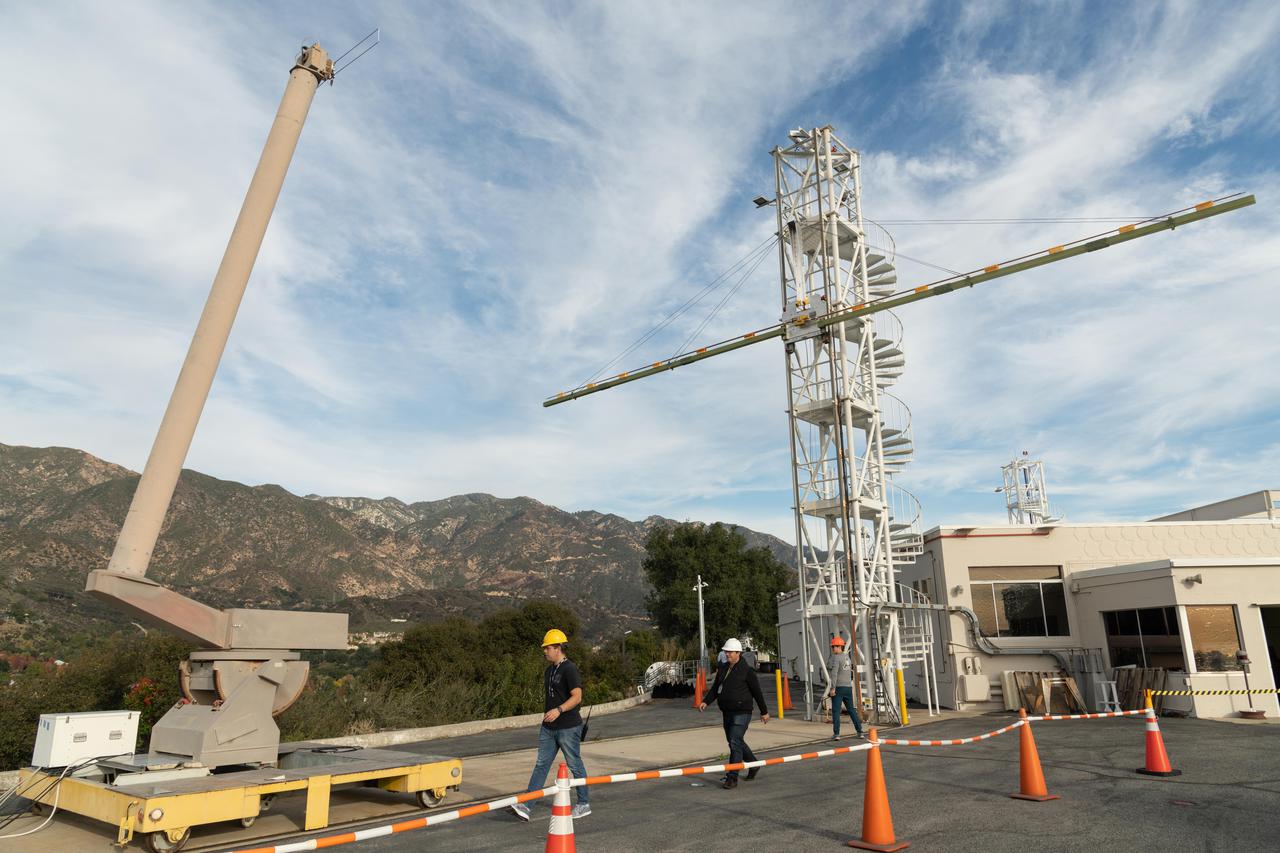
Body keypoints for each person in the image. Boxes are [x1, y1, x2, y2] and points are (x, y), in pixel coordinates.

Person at [511, 628, 591, 821]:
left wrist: (559, 710)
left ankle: (583, 803)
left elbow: (577, 696)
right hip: (548, 728)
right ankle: (527, 805)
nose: (545, 651)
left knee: (575, 764)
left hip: (568, 727)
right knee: (541, 765)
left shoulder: (569, 668)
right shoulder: (549, 670)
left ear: (558, 648)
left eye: (547, 648)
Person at [698, 637, 770, 789]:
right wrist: (706, 701)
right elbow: (715, 688)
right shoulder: (723, 669)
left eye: (730, 652)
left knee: (734, 741)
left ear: (738, 653)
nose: (727, 654)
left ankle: (732, 777)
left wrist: (764, 712)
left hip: (742, 712)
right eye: (726, 652)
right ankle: (754, 764)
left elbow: (757, 692)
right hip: (727, 712)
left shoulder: (747, 671)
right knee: (735, 742)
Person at [823, 636, 864, 740]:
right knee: (851, 710)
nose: (832, 649)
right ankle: (860, 731)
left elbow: (834, 674)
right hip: (848, 688)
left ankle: (836, 734)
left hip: (839, 688)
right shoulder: (847, 657)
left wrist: (832, 689)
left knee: (836, 711)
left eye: (833, 647)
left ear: (838, 647)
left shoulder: (836, 658)